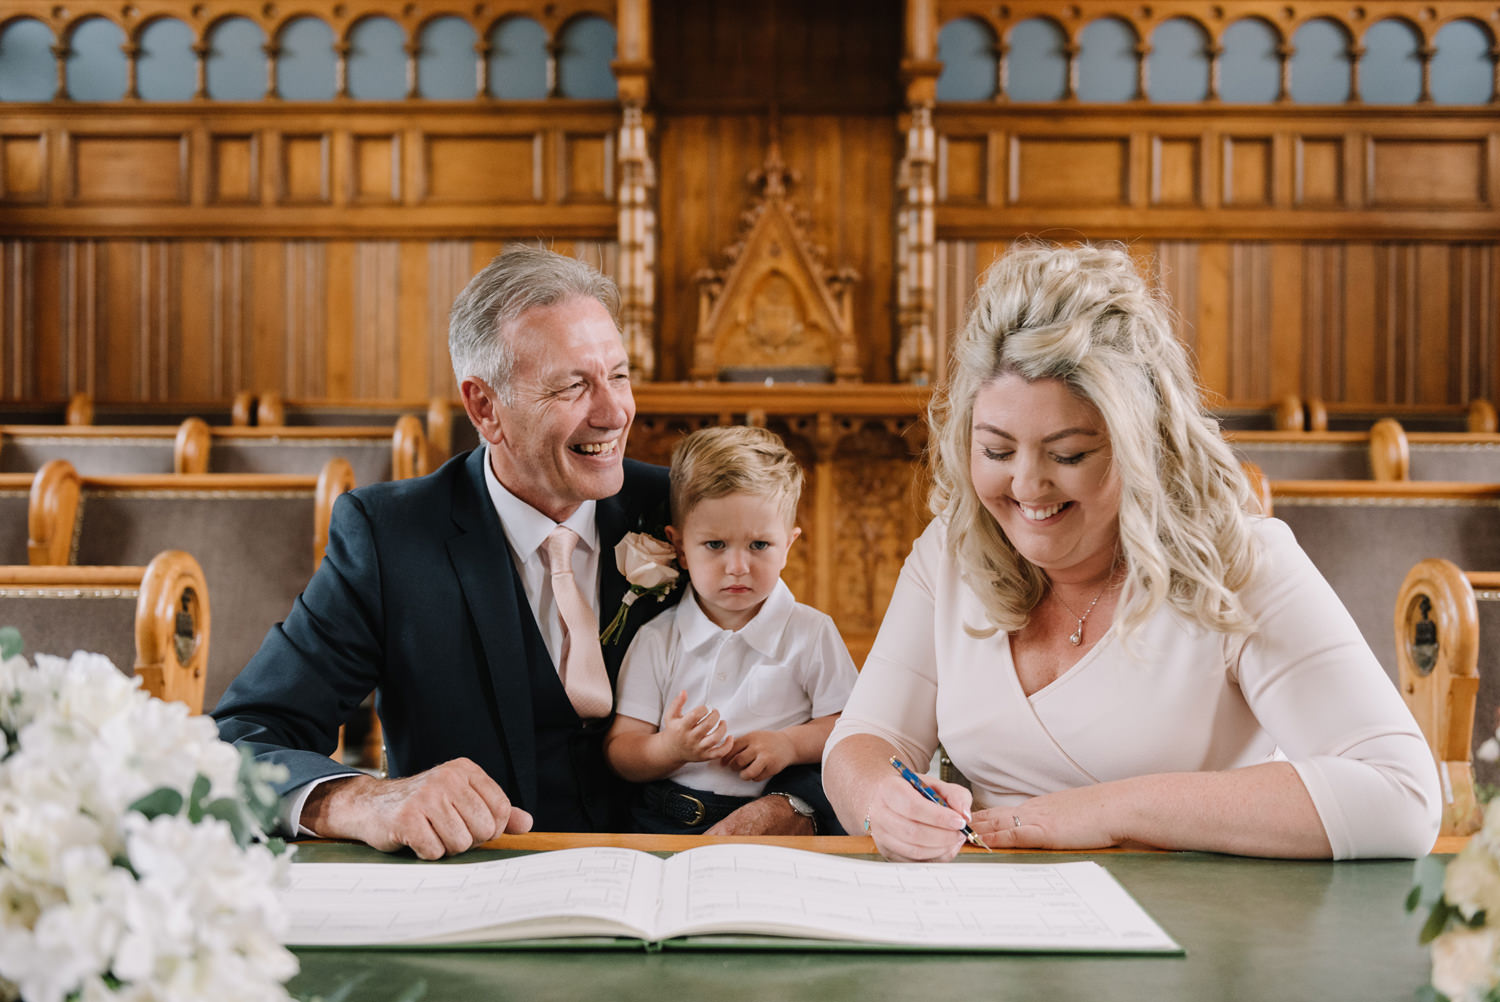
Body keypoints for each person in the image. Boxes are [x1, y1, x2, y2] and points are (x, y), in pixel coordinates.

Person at [822, 240, 1441, 862]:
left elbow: (1402, 795)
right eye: (998, 452)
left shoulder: (1237, 562)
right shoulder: (951, 554)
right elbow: (865, 739)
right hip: (994, 921)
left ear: (1144, 443)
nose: (1028, 487)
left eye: (1068, 454)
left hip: (1197, 929)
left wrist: (1109, 812)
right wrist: (882, 801)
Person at [213, 245, 822, 859]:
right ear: (484, 406)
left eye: (618, 375)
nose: (614, 413)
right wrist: (364, 800)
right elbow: (242, 737)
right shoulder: (388, 537)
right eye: (573, 386)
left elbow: (822, 696)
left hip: (684, 879)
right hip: (480, 891)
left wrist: (794, 804)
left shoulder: (688, 514)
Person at [604, 426, 857, 833]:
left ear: (788, 546)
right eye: (715, 545)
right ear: (681, 547)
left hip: (778, 823)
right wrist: (669, 748)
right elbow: (622, 749)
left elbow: (849, 726)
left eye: (759, 546)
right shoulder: (657, 638)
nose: (738, 566)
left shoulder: (811, 633)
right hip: (665, 818)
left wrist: (789, 745)